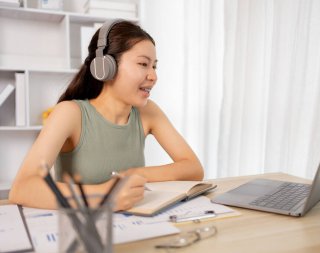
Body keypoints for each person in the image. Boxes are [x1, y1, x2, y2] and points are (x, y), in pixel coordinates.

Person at [9, 19, 204, 211]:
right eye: (143, 64)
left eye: (154, 66)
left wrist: (133, 173)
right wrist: (103, 197)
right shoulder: (69, 114)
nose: (153, 76)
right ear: (105, 66)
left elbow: (193, 168)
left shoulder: (148, 112)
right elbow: (23, 188)